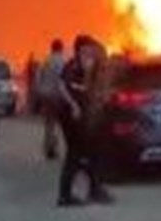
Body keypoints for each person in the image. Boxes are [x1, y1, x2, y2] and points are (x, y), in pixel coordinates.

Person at [56, 34, 113, 207]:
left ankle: (95, 190)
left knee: (92, 153)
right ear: (79, 50)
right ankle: (65, 196)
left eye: (91, 50)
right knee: (75, 154)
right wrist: (74, 105)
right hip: (70, 117)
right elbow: (61, 86)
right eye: (87, 49)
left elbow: (91, 90)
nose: (90, 52)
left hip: (83, 117)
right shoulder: (72, 66)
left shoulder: (87, 66)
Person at [36, 38, 66, 160]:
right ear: (61, 48)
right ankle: (54, 148)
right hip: (57, 95)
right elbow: (63, 79)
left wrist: (40, 92)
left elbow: (38, 77)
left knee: (49, 123)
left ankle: (48, 149)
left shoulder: (46, 60)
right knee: (60, 123)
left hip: (46, 95)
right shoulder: (63, 61)